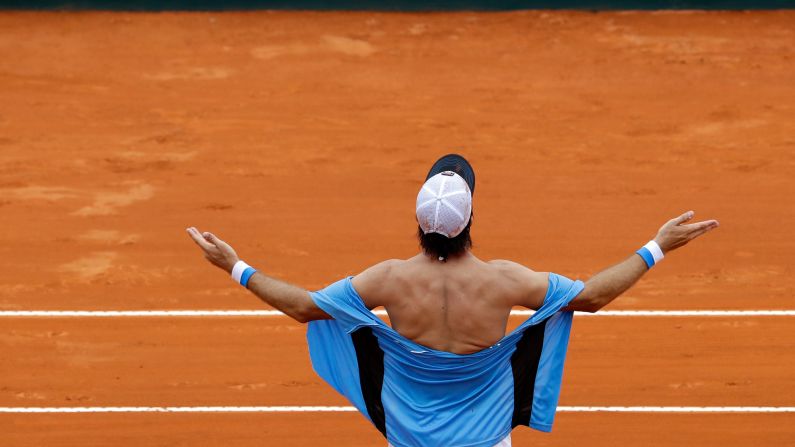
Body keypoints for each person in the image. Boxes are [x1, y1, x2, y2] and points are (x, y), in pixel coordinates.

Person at [186, 154, 719, 447]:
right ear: (470, 220)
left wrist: (234, 265)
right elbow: (595, 296)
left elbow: (304, 306)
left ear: (420, 223)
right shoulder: (504, 280)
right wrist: (657, 247)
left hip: (410, 441)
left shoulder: (388, 280)